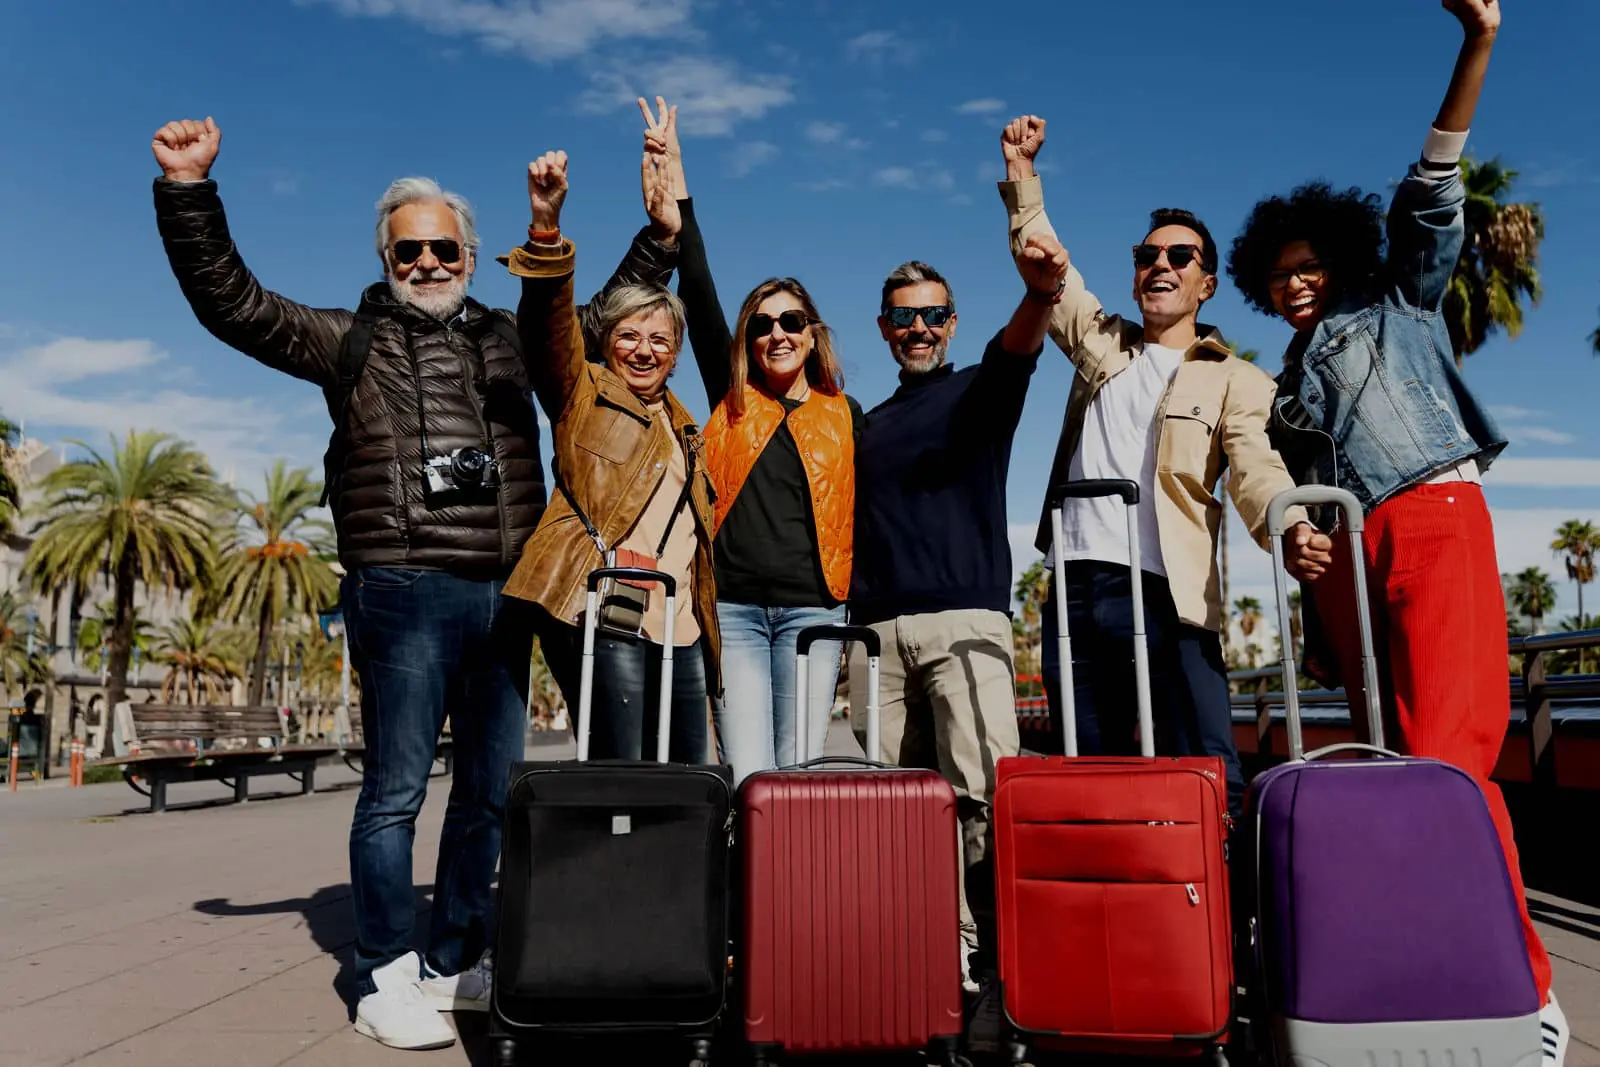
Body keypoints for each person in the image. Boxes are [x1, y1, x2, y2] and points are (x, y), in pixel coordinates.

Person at [150, 117, 677, 1051]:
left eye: (444, 247)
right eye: (410, 248)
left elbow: (598, 319)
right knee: (395, 790)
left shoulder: (513, 337)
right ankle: (385, 972)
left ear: (471, 254)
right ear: (387, 256)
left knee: (486, 791)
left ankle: (455, 959)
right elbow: (233, 303)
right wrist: (189, 192)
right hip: (402, 589)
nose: (428, 261)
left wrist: (660, 236)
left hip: (505, 591)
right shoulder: (345, 341)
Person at [1225, 1, 1565, 1060]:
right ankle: (1419, 979)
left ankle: (1527, 989)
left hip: (1428, 515)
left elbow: (1428, 197)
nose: (1294, 284)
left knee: (1449, 762)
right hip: (1349, 567)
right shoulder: (1285, 384)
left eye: (1306, 265)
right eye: (1276, 274)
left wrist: (1479, 42)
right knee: (1381, 766)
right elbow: (1284, 491)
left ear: (1339, 257)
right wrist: (1294, 537)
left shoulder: (1400, 309)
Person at [995, 115, 1330, 817]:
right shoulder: (1102, 343)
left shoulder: (1236, 378)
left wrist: (1288, 523)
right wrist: (1023, 172)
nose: (1161, 266)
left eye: (1180, 257)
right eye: (1148, 255)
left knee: (1206, 763)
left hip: (1165, 593)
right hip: (1074, 584)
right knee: (1088, 765)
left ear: (1205, 284)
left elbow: (1255, 465)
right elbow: (1047, 266)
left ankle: (1235, 912)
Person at [847, 235, 1068, 989]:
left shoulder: (981, 392)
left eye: (934, 315)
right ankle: (928, 952)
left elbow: (1017, 353)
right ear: (883, 327)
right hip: (872, 638)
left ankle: (1004, 960)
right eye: (905, 317)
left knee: (982, 794)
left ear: (952, 322)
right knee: (892, 810)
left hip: (965, 624)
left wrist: (1040, 294)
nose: (919, 328)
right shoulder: (862, 425)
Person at [639, 97, 863, 783]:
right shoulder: (732, 400)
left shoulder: (845, 412)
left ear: (813, 330)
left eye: (791, 320)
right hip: (733, 609)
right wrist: (679, 200)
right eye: (763, 325)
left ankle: (789, 893)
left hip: (813, 610)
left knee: (798, 770)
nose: (777, 334)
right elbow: (700, 286)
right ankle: (748, 891)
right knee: (747, 772)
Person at [500, 147, 717, 765]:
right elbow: (547, 326)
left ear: (675, 355)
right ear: (606, 342)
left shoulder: (684, 425)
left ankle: (673, 867)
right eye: (629, 336)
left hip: (680, 624)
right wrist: (546, 229)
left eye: (659, 340)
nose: (644, 351)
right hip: (603, 609)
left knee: (683, 776)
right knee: (620, 773)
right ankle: (615, 864)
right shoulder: (581, 389)